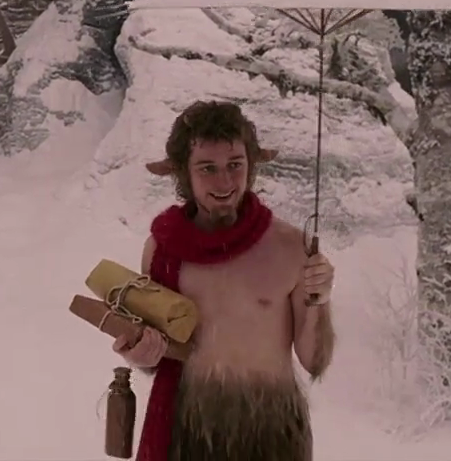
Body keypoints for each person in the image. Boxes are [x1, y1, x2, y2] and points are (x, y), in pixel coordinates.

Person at [113, 100, 337, 461]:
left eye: (235, 164)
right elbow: (157, 354)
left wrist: (319, 299)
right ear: (183, 173)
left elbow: (315, 361)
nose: (225, 182)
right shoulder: (163, 250)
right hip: (187, 433)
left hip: (273, 436)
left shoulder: (290, 247)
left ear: (251, 164)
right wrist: (140, 353)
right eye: (208, 168)